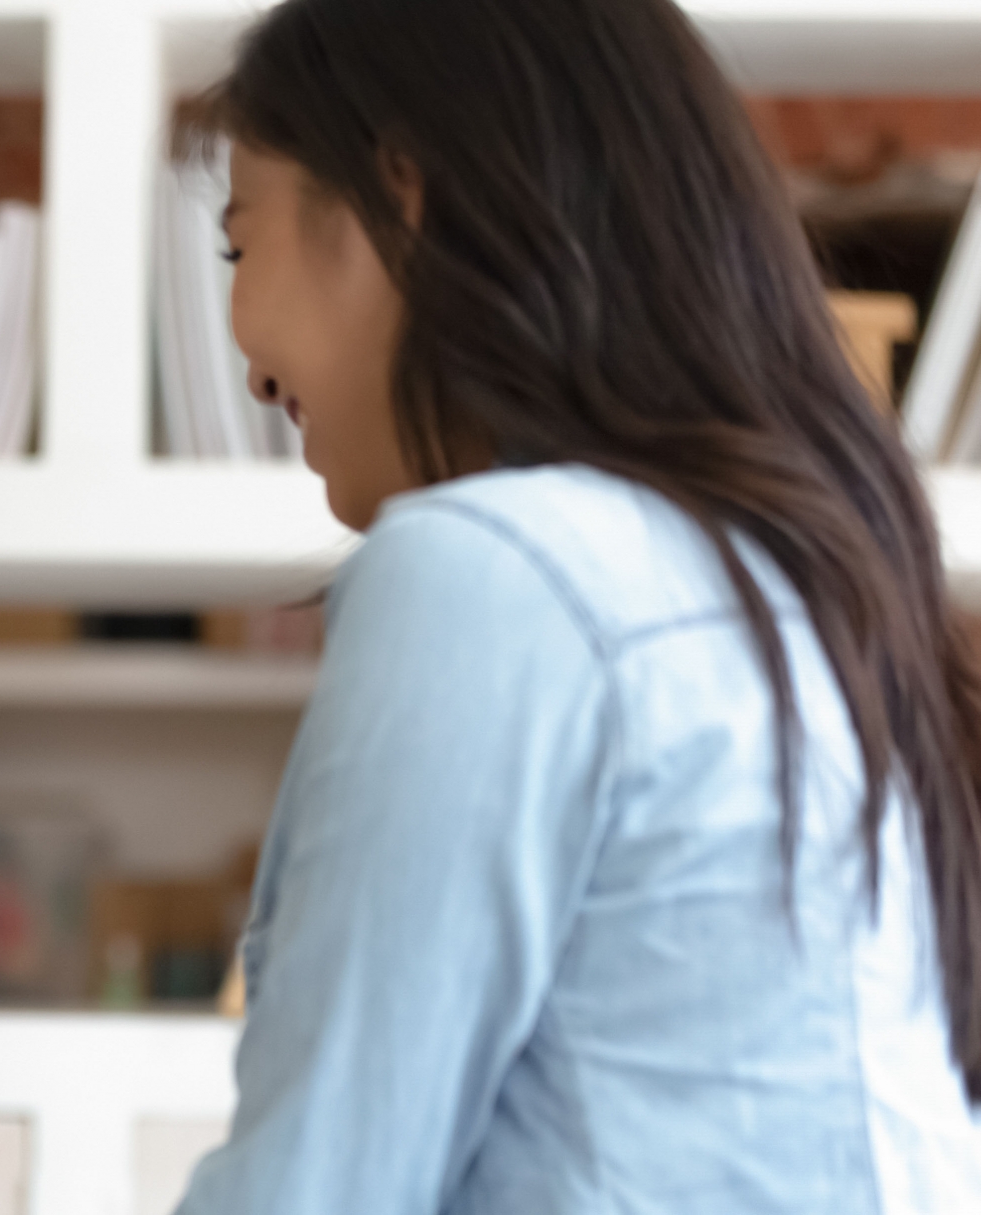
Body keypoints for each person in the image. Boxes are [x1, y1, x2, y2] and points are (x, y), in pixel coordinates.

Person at [174, 0, 981, 1210]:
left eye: (242, 249)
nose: (243, 352)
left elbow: (321, 1184)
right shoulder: (791, 583)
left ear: (400, 196)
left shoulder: (497, 573)